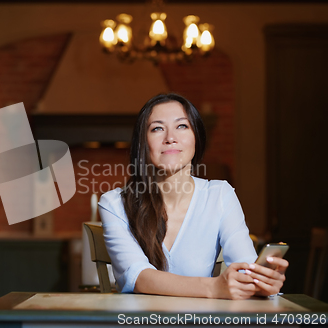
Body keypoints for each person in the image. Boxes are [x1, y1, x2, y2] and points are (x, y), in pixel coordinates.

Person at [98, 93, 288, 300]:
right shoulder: (114, 203)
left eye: (182, 126)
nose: (170, 138)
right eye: (157, 128)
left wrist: (260, 281)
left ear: (196, 137)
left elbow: (245, 266)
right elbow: (137, 277)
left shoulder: (220, 195)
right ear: (142, 144)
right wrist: (213, 288)